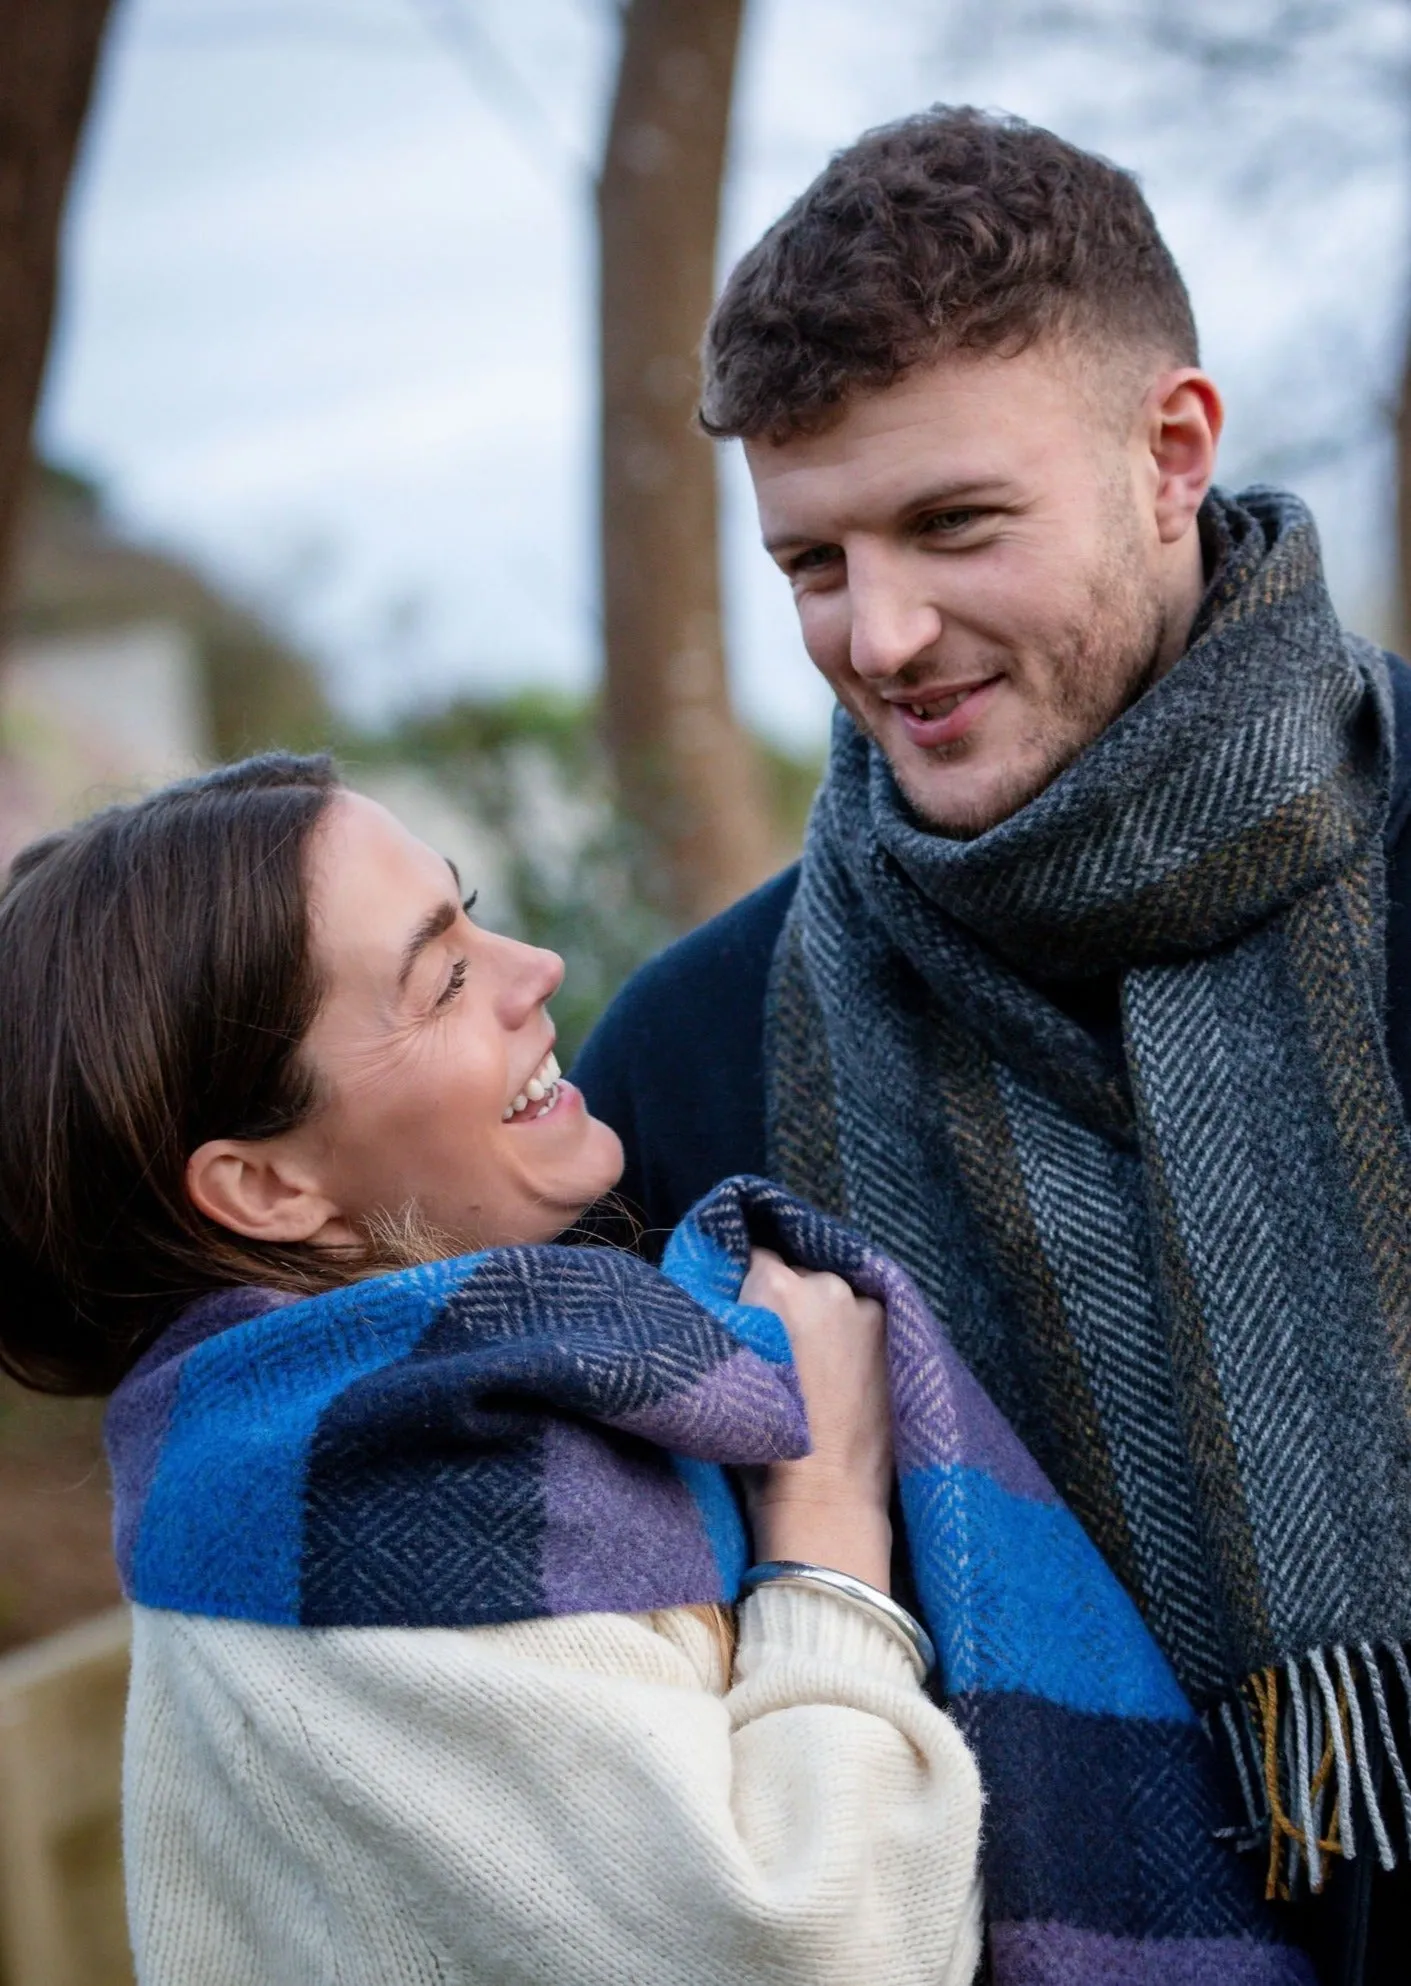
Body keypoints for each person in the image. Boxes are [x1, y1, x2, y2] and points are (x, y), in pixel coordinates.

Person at [572, 106, 1411, 1985]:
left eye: (955, 523)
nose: (881, 635)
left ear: (1171, 452)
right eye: (809, 562)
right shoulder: (689, 1065)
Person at [0, 755, 983, 1986]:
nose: (535, 969)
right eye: (444, 977)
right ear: (267, 1187)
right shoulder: (386, 1525)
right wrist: (828, 1521)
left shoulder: (304, 1456)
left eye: (473, 911)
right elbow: (824, 1951)